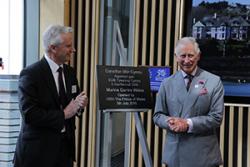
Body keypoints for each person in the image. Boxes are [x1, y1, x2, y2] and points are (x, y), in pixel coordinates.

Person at [13, 25, 88, 167]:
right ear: (53, 48)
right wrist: (64, 114)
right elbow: (30, 114)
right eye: (68, 46)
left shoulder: (70, 72)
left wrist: (79, 106)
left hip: (64, 152)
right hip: (36, 155)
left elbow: (74, 104)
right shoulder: (31, 74)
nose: (73, 50)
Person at [153, 37, 224, 167]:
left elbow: (216, 118)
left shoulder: (214, 82)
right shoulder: (166, 83)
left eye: (191, 55)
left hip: (204, 156)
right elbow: (157, 116)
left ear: (198, 56)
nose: (187, 60)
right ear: (176, 57)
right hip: (175, 155)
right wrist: (170, 122)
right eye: (183, 56)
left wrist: (187, 124)